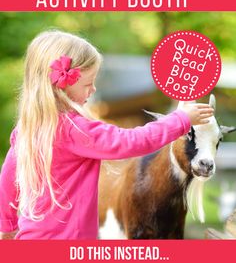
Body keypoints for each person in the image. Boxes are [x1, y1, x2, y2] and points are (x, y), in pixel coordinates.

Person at [0, 30, 214, 240]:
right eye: (87, 84)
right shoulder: (75, 130)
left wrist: (7, 226)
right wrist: (181, 119)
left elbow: (8, 180)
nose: (93, 89)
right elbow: (132, 141)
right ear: (64, 84)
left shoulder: (27, 129)